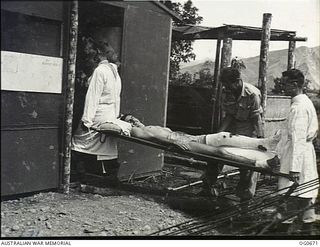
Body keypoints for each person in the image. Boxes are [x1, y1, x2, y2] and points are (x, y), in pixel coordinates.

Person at [95, 114, 281, 171]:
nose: (134, 120)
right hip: (181, 142)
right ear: (127, 123)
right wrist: (174, 142)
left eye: (134, 117)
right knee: (221, 153)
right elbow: (152, 138)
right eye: (130, 119)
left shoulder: (148, 125)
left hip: (185, 138)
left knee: (224, 137)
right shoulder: (138, 130)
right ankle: (261, 163)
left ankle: (264, 143)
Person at [204, 66, 265, 201]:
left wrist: (260, 139)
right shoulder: (227, 92)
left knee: (247, 162)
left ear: (237, 81)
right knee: (215, 152)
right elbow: (229, 115)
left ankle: (245, 193)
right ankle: (208, 186)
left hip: (250, 126)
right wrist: (218, 135)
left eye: (228, 84)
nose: (226, 87)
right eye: (224, 84)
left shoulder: (252, 94)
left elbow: (256, 118)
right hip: (233, 124)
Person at [71, 40, 123, 185]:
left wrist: (86, 120)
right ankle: (112, 176)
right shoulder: (114, 73)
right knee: (108, 146)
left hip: (98, 114)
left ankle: (79, 175)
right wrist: (115, 118)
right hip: (110, 115)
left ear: (99, 55)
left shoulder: (100, 71)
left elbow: (92, 97)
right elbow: (117, 98)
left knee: (78, 141)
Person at [276, 69, 318, 235]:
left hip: (298, 155)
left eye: (284, 83)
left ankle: (284, 230)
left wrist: (294, 168)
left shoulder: (299, 107)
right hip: (302, 154)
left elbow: (298, 139)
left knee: (291, 195)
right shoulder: (302, 102)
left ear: (294, 85)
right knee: (305, 195)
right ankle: (306, 229)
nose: (282, 86)